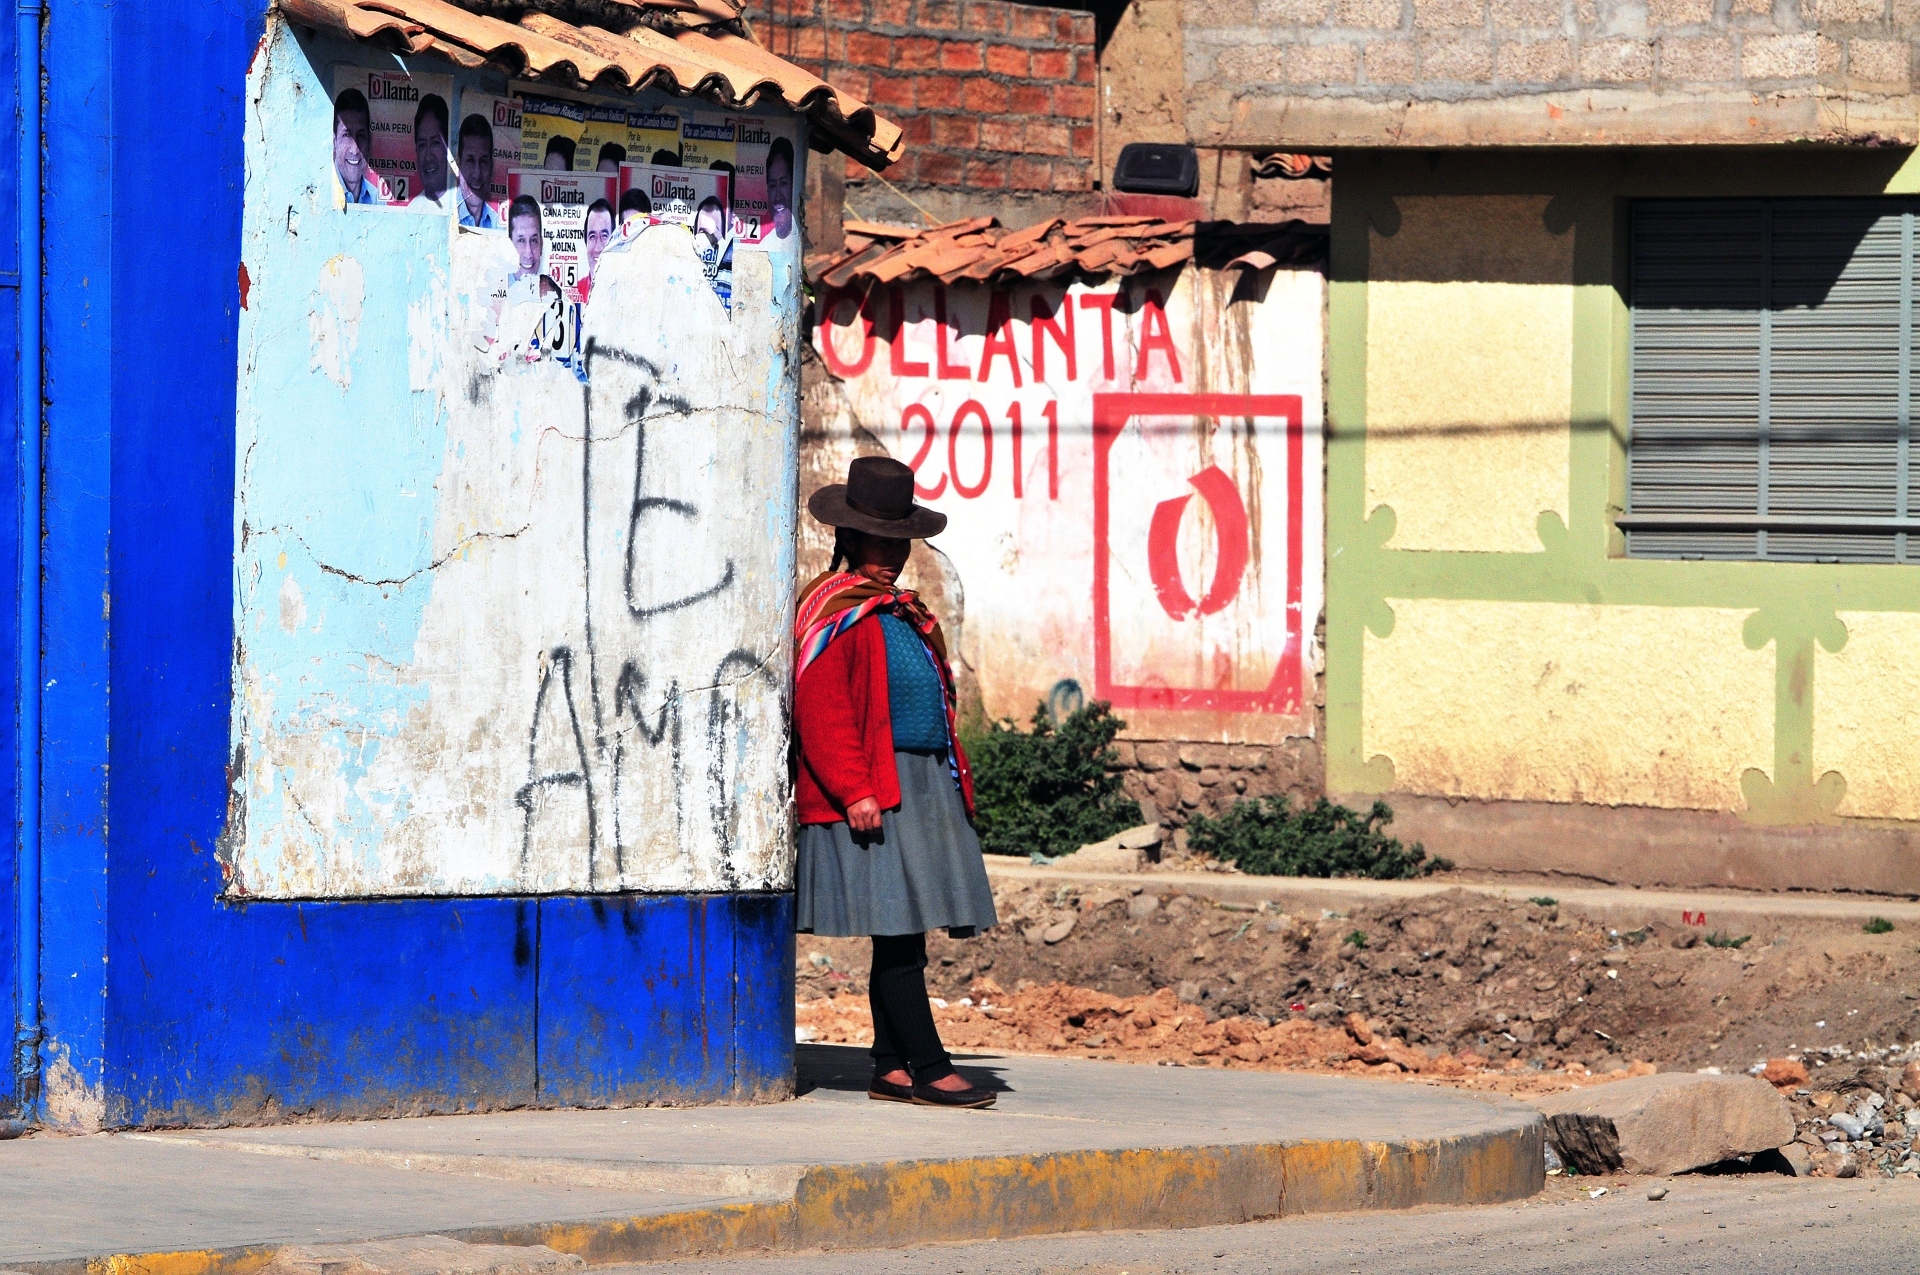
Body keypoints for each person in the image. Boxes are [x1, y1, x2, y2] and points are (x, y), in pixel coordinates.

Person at [793, 457, 998, 1110]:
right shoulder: (833, 611)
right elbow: (821, 709)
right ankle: (931, 1067)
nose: (889, 555)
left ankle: (889, 1063)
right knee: (902, 935)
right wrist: (855, 789)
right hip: (877, 786)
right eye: (877, 541)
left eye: (897, 542)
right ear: (849, 538)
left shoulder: (900, 611)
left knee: (904, 931)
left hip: (922, 784)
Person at [332, 88, 382, 205]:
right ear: (334, 140)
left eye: (361, 135)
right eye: (347, 135)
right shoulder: (323, 193)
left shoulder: (377, 200)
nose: (355, 150)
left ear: (369, 140)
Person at [407, 94, 452, 212]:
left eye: (435, 143)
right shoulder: (413, 209)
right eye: (422, 145)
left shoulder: (460, 205)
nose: (427, 157)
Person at [456, 114, 499, 228]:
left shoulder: (499, 226)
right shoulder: (444, 218)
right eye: (470, 161)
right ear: (458, 165)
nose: (477, 174)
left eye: (483, 161)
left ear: (491, 166)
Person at [577, 198, 615, 302]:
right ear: (586, 242)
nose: (598, 248)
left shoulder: (626, 293)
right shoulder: (574, 295)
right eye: (592, 236)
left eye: (604, 236)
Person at [765, 136, 795, 241]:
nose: (778, 196)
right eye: (772, 185)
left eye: (783, 183)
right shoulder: (766, 243)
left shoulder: (800, 236)